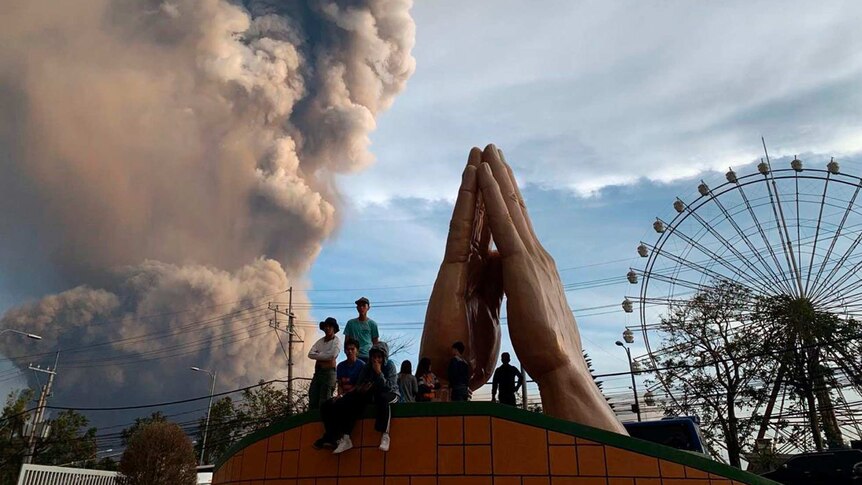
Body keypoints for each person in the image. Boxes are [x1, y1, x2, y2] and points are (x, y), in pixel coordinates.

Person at [315, 341, 400, 453]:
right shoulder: (367, 367)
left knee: (382, 398)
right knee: (352, 401)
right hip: (372, 394)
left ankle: (385, 435)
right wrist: (359, 390)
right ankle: (345, 437)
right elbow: (359, 385)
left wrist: (379, 373)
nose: (376, 360)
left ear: (384, 357)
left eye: (379, 357)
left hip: (390, 393)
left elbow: (389, 387)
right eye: (374, 357)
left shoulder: (389, 366)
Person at [307, 317, 341, 410]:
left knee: (324, 401)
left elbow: (332, 355)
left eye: (330, 326)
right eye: (326, 326)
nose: (327, 328)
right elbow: (310, 354)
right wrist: (324, 356)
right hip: (318, 373)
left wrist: (319, 355)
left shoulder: (336, 342)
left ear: (334, 328)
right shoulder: (320, 341)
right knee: (313, 398)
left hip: (328, 373)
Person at [344, 297, 379, 362]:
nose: (361, 308)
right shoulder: (350, 323)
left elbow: (375, 343)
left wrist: (375, 358)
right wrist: (347, 353)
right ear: (357, 308)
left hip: (368, 356)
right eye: (359, 306)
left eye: (363, 305)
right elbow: (346, 341)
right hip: (354, 355)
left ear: (368, 307)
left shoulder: (372, 324)